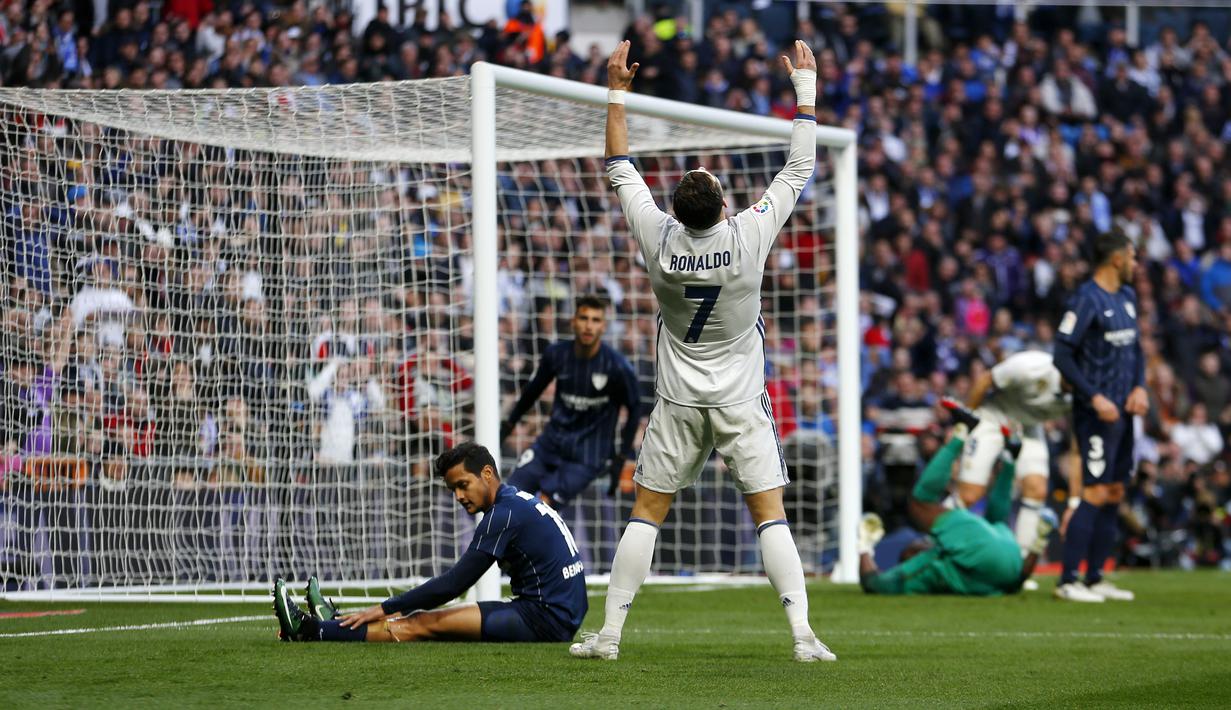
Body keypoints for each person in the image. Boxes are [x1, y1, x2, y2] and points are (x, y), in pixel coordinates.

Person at [571, 40, 835, 663]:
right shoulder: (749, 234)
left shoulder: (659, 237)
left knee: (646, 512)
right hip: (740, 398)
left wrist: (616, 92)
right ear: (723, 206)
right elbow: (799, 168)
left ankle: (610, 635)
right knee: (769, 515)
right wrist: (805, 92)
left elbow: (618, 165)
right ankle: (802, 636)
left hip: (678, 398)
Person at [272, 442, 587, 643]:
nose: (459, 496)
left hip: (546, 619)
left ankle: (308, 630)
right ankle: (336, 624)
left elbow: (453, 585)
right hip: (559, 611)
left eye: (463, 485)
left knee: (421, 623)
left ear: (487, 473)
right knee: (420, 619)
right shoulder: (516, 500)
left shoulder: (503, 516)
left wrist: (382, 608)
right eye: (453, 490)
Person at [859, 401, 1054, 596]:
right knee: (919, 504)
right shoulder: (928, 565)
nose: (922, 541)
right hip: (989, 549)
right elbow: (873, 583)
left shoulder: (964, 579)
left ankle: (1009, 460)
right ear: (915, 556)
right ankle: (961, 432)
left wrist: (1037, 547)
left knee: (997, 522)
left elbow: (1019, 578)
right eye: (914, 547)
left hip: (1011, 558)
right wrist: (863, 546)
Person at [1052, 229, 1148, 602]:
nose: (1136, 264)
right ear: (1117, 259)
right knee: (1093, 490)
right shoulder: (1085, 300)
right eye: (1133, 256)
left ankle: (1095, 577)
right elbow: (1062, 355)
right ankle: (1067, 580)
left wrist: (1140, 387)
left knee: (1115, 491)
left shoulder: (1127, 296)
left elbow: (1136, 349)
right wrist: (1093, 397)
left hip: (1125, 412)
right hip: (1095, 414)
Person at [501, 294, 641, 507]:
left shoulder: (618, 367)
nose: (589, 326)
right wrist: (510, 423)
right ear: (574, 321)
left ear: (603, 326)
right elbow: (533, 390)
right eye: (584, 318)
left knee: (542, 506)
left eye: (595, 320)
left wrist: (621, 457)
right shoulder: (557, 354)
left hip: (587, 456)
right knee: (509, 498)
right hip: (549, 444)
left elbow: (634, 410)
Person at [957, 351, 1070, 582]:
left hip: (1029, 426)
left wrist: (1075, 499)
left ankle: (1019, 567)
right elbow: (985, 380)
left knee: (1037, 488)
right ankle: (938, 546)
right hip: (993, 417)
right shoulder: (1032, 365)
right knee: (969, 495)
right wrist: (963, 426)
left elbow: (1077, 448)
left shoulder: (1085, 394)